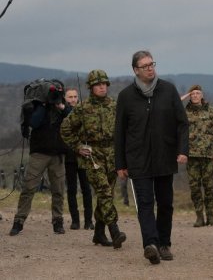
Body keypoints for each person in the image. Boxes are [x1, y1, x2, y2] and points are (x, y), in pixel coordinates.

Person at [114, 50, 189, 265]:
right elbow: (119, 132)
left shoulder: (168, 90)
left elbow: (182, 123)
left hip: (165, 156)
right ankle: (151, 245)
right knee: (145, 204)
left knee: (165, 203)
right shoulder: (126, 96)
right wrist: (120, 163)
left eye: (152, 64)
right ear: (135, 70)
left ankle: (164, 243)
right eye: (145, 66)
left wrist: (183, 150)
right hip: (138, 159)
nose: (150, 68)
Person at [61, 70, 126, 248]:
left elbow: (124, 130)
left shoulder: (115, 105)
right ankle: (115, 230)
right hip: (93, 155)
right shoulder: (82, 108)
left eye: (104, 83)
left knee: (107, 195)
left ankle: (98, 233)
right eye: (98, 84)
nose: (102, 86)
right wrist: (78, 147)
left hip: (112, 154)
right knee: (104, 192)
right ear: (91, 87)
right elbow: (65, 129)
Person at [9, 79, 69, 236]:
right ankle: (19, 221)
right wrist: (44, 105)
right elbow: (34, 123)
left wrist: (61, 106)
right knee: (29, 187)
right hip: (39, 153)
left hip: (57, 153)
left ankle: (58, 221)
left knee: (58, 190)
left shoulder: (62, 107)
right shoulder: (38, 106)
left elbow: (73, 118)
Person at [180, 85, 213, 227]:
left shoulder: (211, 111)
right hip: (191, 155)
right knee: (194, 187)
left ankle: (210, 216)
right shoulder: (184, 112)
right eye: (192, 94)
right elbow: (170, 108)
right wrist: (184, 96)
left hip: (208, 154)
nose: (195, 96)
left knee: (209, 186)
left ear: (202, 95)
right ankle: (199, 216)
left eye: (197, 93)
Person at [63, 88, 94, 230]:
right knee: (71, 189)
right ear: (65, 98)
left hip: (84, 155)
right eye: (70, 97)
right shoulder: (62, 112)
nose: (73, 99)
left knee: (86, 189)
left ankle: (89, 221)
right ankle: (75, 220)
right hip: (70, 156)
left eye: (75, 96)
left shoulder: (84, 111)